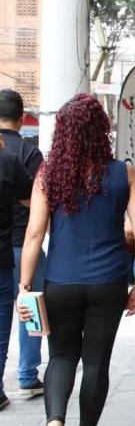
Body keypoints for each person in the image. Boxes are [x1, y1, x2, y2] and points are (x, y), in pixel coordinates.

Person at [16, 93, 135, 426]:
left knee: (61, 355)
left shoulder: (48, 175)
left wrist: (24, 285)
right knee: (95, 363)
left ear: (62, 132)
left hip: (60, 280)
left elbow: (33, 234)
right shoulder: (124, 173)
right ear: (100, 131)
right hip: (108, 283)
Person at [0, 89, 45, 398]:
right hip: (25, 244)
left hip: (5, 248)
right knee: (30, 306)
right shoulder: (31, 153)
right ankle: (28, 374)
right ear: (20, 117)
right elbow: (38, 203)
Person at [0, 131, 33, 411]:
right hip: (8, 252)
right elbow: (31, 201)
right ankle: (20, 379)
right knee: (4, 325)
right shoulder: (9, 160)